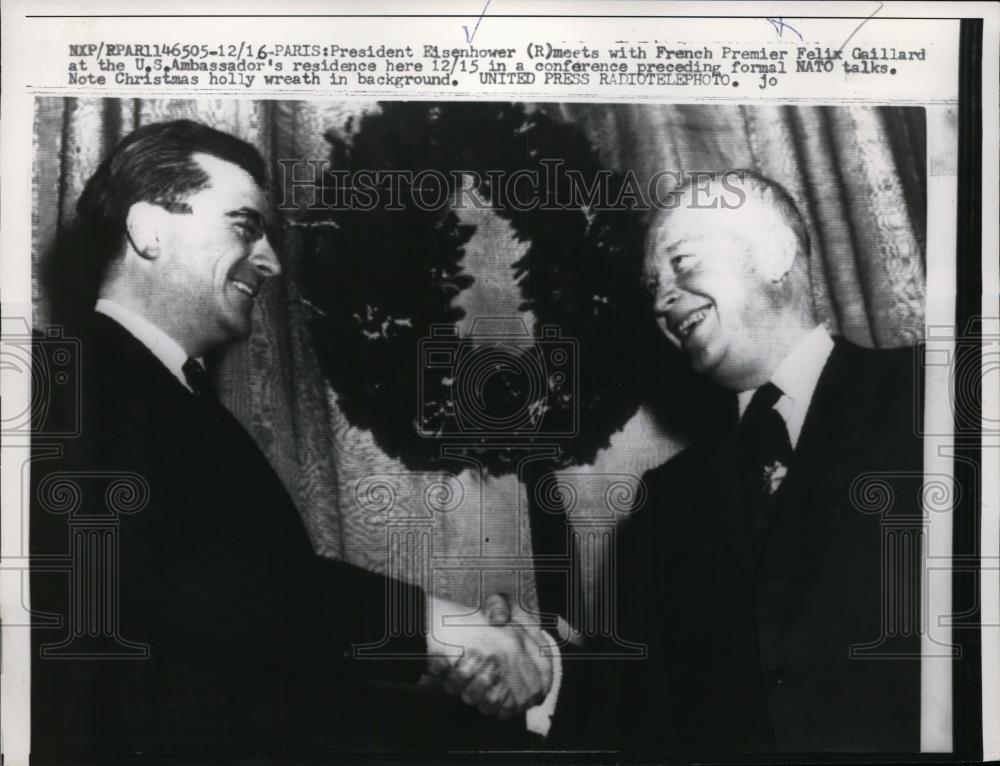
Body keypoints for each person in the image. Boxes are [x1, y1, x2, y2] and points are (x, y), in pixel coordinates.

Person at [29, 119, 553, 756]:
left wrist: (457, 659)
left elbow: (264, 639)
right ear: (148, 230)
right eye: (244, 226)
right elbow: (189, 575)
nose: (271, 262)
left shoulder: (174, 397)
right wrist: (438, 628)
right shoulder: (59, 378)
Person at [453, 171, 925, 753]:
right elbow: (641, 707)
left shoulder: (932, 395)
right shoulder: (667, 501)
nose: (661, 301)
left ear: (775, 253)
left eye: (683, 263)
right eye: (653, 285)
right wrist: (545, 671)